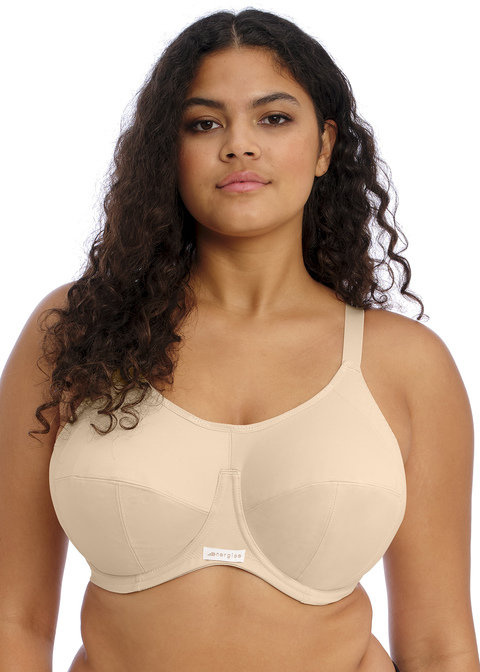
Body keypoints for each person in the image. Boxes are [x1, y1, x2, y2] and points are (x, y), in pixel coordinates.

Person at [0, 7, 478, 672]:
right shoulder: (77, 331)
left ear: (324, 146)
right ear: (168, 151)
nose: (239, 146)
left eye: (273, 118)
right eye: (204, 123)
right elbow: (15, 619)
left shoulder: (407, 365)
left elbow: (439, 644)